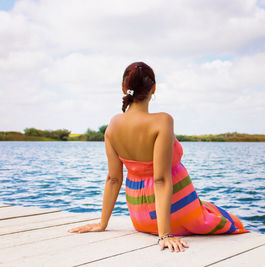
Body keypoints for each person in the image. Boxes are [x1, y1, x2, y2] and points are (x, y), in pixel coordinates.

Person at [68, 61, 249, 252]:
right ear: (153, 88)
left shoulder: (113, 125)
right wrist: (165, 234)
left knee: (208, 206)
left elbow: (113, 179)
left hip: (141, 219)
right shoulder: (162, 121)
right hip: (178, 215)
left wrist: (102, 223)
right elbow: (161, 179)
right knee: (231, 221)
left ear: (124, 87)